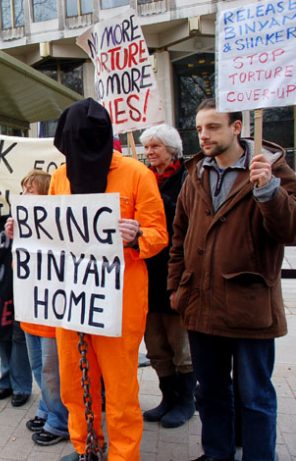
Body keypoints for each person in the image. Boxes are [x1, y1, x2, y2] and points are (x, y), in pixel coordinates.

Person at [168, 98, 296, 461]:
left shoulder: (271, 167)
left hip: (249, 306)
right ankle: (217, 454)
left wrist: (269, 191)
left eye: (212, 127)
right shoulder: (196, 173)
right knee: (210, 393)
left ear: (237, 128)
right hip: (201, 306)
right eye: (198, 129)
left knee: (254, 395)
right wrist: (176, 289)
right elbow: (180, 235)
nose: (203, 136)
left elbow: (291, 229)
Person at [51, 98, 168, 461]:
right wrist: (21, 229)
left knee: (120, 390)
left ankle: (122, 454)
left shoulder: (136, 174)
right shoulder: (59, 176)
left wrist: (135, 238)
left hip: (120, 304)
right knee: (73, 383)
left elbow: (158, 235)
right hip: (71, 301)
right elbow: (49, 232)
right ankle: (85, 444)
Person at [5, 169, 69, 445]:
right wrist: (14, 239)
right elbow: (17, 267)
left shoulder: (60, 228)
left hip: (50, 313)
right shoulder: (23, 225)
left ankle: (61, 421)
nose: (25, 195)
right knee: (38, 367)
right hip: (31, 309)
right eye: (23, 190)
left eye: (30, 190)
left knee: (51, 370)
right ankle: (47, 408)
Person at [139, 124, 195, 428]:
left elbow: (186, 221)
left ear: (172, 150)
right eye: (146, 148)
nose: (149, 153)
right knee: (156, 345)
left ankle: (186, 401)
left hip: (175, 274)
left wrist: (158, 207)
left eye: (155, 147)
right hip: (146, 276)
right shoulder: (143, 180)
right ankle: (167, 397)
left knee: (179, 344)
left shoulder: (186, 180)